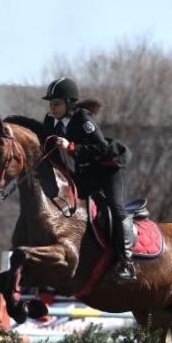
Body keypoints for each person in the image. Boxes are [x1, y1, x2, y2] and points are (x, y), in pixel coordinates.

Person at [41, 77, 136, 283]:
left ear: (69, 103)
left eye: (56, 103)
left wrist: (71, 147)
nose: (52, 108)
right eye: (51, 104)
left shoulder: (83, 119)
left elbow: (101, 148)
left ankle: (126, 263)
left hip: (108, 168)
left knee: (115, 208)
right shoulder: (52, 121)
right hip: (86, 171)